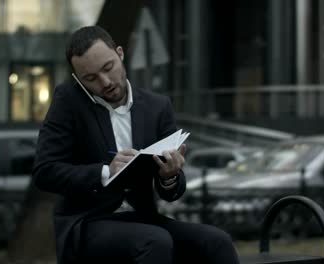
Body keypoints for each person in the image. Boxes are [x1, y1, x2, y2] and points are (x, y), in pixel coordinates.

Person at [33, 25, 240, 264]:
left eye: (108, 68)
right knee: (155, 241)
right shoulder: (68, 102)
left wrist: (169, 175)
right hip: (89, 223)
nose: (105, 82)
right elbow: (44, 170)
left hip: (142, 218)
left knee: (217, 242)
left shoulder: (156, 106)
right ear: (78, 80)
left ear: (120, 53)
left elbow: (173, 191)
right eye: (90, 78)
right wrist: (105, 171)